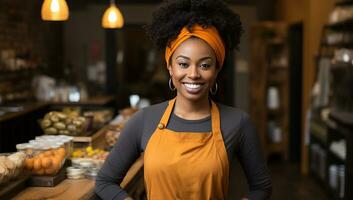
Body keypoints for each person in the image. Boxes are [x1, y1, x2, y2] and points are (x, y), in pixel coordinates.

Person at [95, 0, 272, 199]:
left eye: (205, 65)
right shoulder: (144, 120)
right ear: (170, 67)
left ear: (216, 70)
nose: (193, 74)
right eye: (183, 64)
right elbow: (104, 182)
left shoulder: (238, 122)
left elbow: (262, 186)